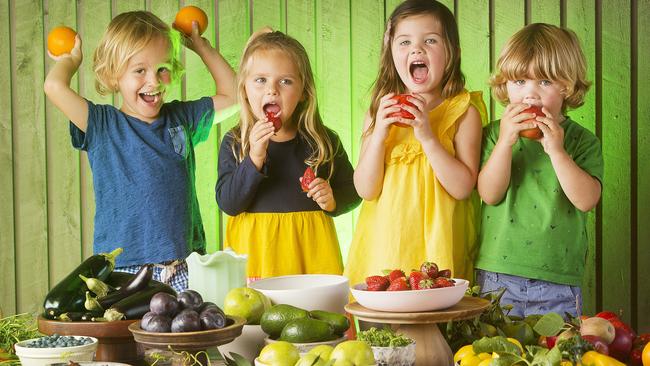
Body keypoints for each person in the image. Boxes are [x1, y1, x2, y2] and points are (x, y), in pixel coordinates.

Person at [43, 11, 236, 292]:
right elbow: (54, 86)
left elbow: (233, 95)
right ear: (113, 75)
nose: (154, 81)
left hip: (185, 264)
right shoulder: (102, 123)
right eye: (139, 70)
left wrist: (201, 47)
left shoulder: (180, 117)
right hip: (125, 269)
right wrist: (69, 61)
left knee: (187, 335)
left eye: (162, 68)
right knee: (132, 336)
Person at [345, 0, 487, 288]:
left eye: (430, 40)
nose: (416, 49)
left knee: (440, 328)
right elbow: (365, 189)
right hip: (385, 249)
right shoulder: (378, 112)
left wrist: (426, 135)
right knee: (385, 329)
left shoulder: (463, 112)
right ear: (391, 53)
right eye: (405, 41)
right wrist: (379, 135)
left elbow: (462, 187)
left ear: (452, 54)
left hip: (439, 251)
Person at [476, 23, 603, 317]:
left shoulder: (582, 141)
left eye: (544, 82)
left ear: (567, 87)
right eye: (519, 81)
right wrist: (506, 143)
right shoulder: (495, 135)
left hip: (558, 280)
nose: (529, 94)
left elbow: (586, 200)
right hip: (497, 275)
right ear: (504, 85)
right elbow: (489, 194)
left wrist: (557, 151)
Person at [215, 30, 361, 282]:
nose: (272, 90)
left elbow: (353, 191)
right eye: (260, 80)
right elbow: (229, 203)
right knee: (258, 320)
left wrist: (333, 200)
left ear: (304, 91)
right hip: (257, 257)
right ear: (245, 89)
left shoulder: (323, 141)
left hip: (312, 257)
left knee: (317, 319)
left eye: (285, 81)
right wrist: (254, 159)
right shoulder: (235, 142)